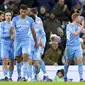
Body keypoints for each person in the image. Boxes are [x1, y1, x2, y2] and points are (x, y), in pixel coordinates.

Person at [10, 4, 38, 81]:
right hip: (17, 41)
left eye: (24, 12)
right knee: (18, 59)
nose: (23, 13)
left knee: (25, 57)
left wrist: (36, 42)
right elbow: (11, 29)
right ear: (19, 11)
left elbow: (33, 32)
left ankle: (24, 77)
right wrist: (12, 35)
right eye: (22, 11)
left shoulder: (30, 20)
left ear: (26, 12)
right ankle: (19, 76)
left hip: (26, 41)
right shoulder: (15, 19)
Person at [65, 13, 85, 82]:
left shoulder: (79, 25)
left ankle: (81, 78)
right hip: (69, 47)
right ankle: (65, 76)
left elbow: (84, 31)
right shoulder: (69, 26)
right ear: (75, 18)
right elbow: (76, 34)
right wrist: (82, 26)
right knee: (68, 62)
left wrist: (83, 26)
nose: (80, 19)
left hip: (77, 46)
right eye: (79, 17)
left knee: (80, 60)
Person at [0, 10, 14, 81]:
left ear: (11, 16)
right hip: (5, 45)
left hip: (12, 45)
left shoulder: (14, 24)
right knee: (5, 61)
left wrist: (15, 38)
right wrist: (10, 35)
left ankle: (10, 77)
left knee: (12, 61)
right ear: (4, 17)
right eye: (7, 15)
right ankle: (5, 76)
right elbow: (1, 35)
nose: (8, 17)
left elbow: (17, 34)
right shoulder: (1, 24)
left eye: (9, 15)